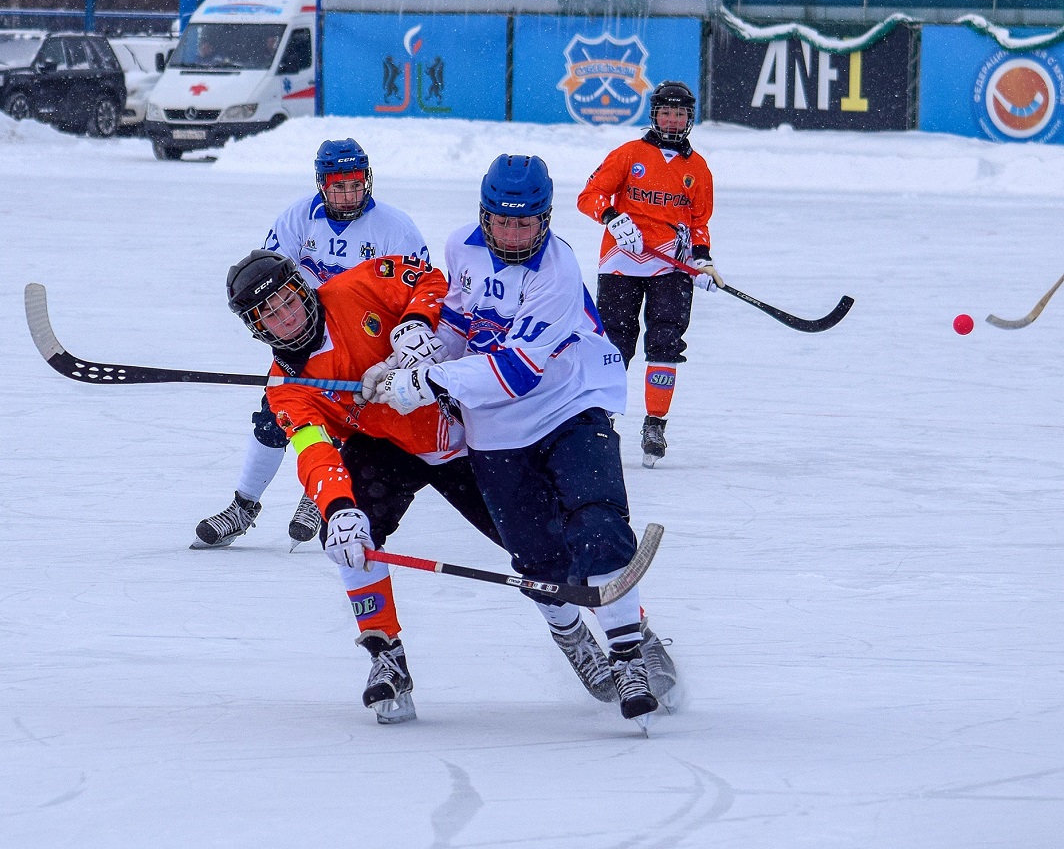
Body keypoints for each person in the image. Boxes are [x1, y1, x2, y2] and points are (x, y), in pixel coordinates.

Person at [368, 154, 679, 724]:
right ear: (484, 216)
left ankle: (628, 651)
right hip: (495, 427)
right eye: (503, 222)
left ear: (547, 219)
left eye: (527, 224)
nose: (514, 235)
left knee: (598, 524)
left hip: (569, 404)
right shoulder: (462, 246)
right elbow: (461, 322)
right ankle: (573, 641)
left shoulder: (556, 273)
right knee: (536, 558)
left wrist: (428, 380)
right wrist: (416, 352)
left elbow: (515, 372)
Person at [223, 248, 497, 724]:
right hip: (386, 446)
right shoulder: (285, 387)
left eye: (287, 300)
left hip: (463, 432)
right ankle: (385, 653)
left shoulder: (357, 287)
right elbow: (313, 451)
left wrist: (412, 329)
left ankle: (622, 636)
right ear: (256, 328)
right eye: (269, 315)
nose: (286, 318)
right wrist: (337, 507)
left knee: (534, 542)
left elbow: (429, 278)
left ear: (302, 288)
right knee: (351, 536)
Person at [193, 139, 430, 550]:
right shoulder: (299, 217)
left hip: (364, 342)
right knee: (273, 419)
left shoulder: (396, 228)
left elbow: (417, 288)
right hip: (300, 337)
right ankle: (244, 506)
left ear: (367, 180)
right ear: (321, 184)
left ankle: (319, 496)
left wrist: (403, 349)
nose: (347, 195)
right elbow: (267, 275)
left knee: (344, 425)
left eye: (355, 185)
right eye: (337, 186)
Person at [576, 80, 719, 468]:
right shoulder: (629, 154)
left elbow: (699, 222)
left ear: (690, 119)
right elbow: (589, 196)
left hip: (671, 265)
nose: (672, 120)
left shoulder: (698, 169)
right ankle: (601, 416)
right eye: (666, 112)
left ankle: (655, 423)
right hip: (622, 261)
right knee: (616, 342)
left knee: (665, 341)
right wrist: (613, 218)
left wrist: (702, 261)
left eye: (680, 114)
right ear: (654, 115)